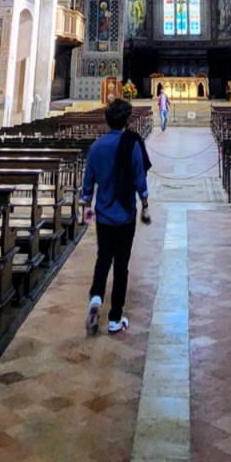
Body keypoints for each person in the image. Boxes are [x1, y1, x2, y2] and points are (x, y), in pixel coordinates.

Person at [81, 98, 151, 336]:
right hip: (125, 214)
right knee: (121, 265)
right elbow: (140, 178)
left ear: (107, 119)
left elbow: (88, 181)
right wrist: (145, 205)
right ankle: (115, 318)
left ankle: (97, 298)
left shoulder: (97, 147)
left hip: (103, 214)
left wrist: (86, 204)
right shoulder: (131, 145)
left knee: (103, 258)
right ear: (126, 121)